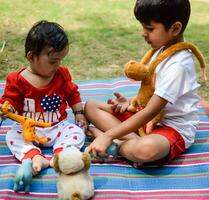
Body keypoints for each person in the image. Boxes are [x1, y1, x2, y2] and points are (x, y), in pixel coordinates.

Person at [85, 0, 203, 166]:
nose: (143, 33)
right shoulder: (162, 50)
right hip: (147, 118)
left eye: (149, 28)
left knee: (146, 150)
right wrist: (131, 101)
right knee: (91, 106)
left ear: (175, 28)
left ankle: (117, 146)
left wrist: (107, 135)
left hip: (171, 128)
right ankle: (131, 143)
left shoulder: (179, 65)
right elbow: (154, 92)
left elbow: (150, 111)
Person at [0, 20, 87, 175]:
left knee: (77, 132)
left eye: (61, 60)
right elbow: (9, 101)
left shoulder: (61, 74)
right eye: (53, 61)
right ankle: (34, 156)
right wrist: (7, 109)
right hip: (28, 130)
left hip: (57, 127)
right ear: (31, 56)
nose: (58, 65)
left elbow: (72, 94)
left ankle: (60, 155)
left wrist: (79, 114)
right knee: (12, 135)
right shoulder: (16, 79)